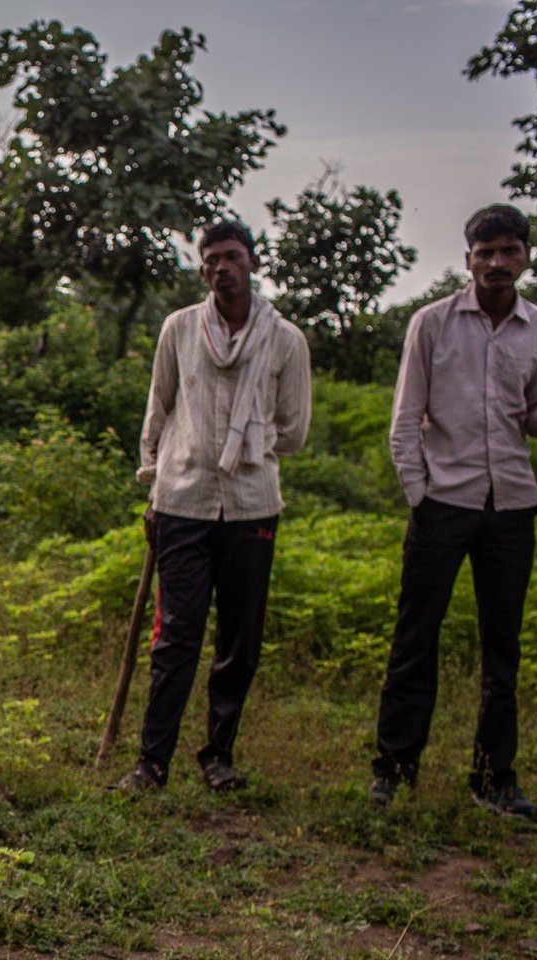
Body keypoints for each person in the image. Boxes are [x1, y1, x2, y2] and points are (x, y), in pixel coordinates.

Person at [370, 204, 537, 817]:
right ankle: (395, 771)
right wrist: (421, 496)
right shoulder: (432, 324)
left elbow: (535, 423)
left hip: (512, 504)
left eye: (508, 251)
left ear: (524, 258)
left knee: (502, 648)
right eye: (484, 252)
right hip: (444, 503)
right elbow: (405, 421)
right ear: (467, 259)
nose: (495, 263)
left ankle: (494, 779)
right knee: (415, 639)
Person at [118, 220, 312, 794]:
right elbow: (159, 408)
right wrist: (154, 482)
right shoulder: (179, 328)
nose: (220, 268)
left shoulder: (285, 340)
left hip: (252, 505)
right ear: (201, 269)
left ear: (252, 263)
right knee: (175, 636)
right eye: (210, 260)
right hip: (183, 499)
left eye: (231, 257)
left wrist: (245, 442)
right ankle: (152, 763)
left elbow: (295, 430)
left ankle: (218, 756)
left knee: (239, 638)